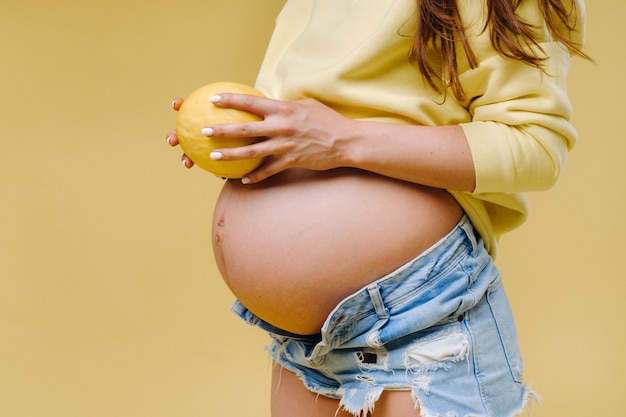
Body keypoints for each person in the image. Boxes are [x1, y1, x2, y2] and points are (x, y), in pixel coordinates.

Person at [166, 0, 588, 416]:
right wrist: (248, 139)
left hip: (418, 323)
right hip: (306, 347)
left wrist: (345, 141)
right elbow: (320, 114)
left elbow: (536, 144)